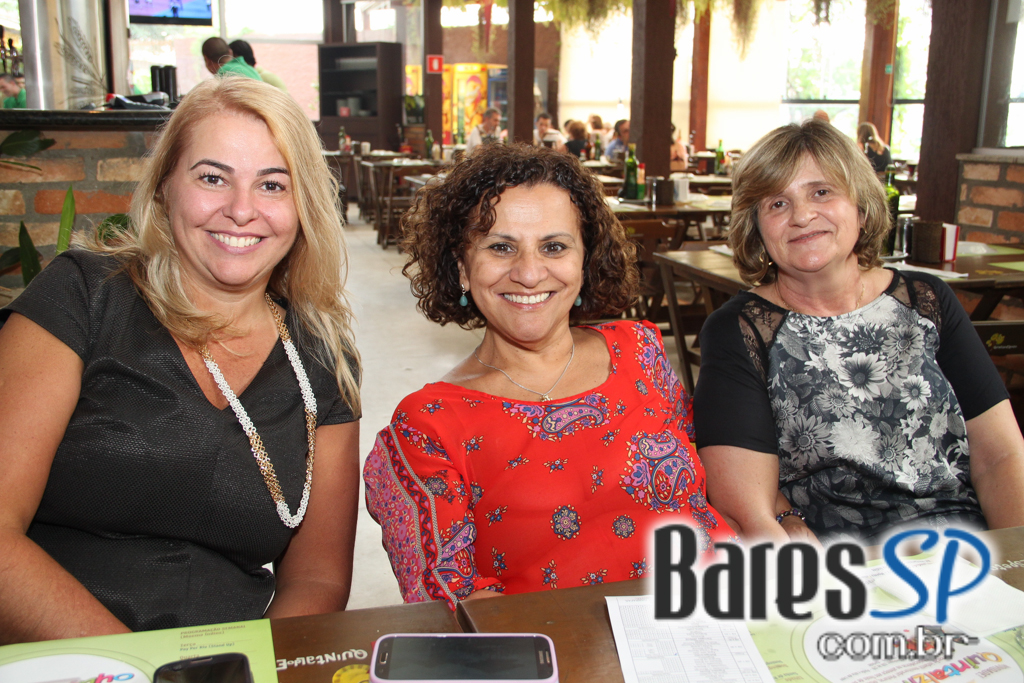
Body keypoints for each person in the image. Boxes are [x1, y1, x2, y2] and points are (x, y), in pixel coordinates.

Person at [0, 77, 361, 643]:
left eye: (272, 185)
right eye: (213, 178)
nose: (241, 210)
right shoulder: (84, 297)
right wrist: (140, 673)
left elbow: (316, 578)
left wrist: (246, 671)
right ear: (165, 185)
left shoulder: (321, 357)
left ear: (304, 205)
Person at [363, 144, 735, 609]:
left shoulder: (640, 350)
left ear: (584, 260)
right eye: (501, 247)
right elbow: (452, 610)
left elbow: (713, 484)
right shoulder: (428, 426)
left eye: (554, 247)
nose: (529, 273)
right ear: (462, 268)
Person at [694, 119, 1024, 544]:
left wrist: (1014, 560)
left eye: (821, 192)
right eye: (777, 203)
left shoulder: (928, 301)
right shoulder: (739, 330)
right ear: (756, 229)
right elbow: (746, 509)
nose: (802, 216)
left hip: (963, 545)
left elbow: (1001, 458)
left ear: (862, 209)